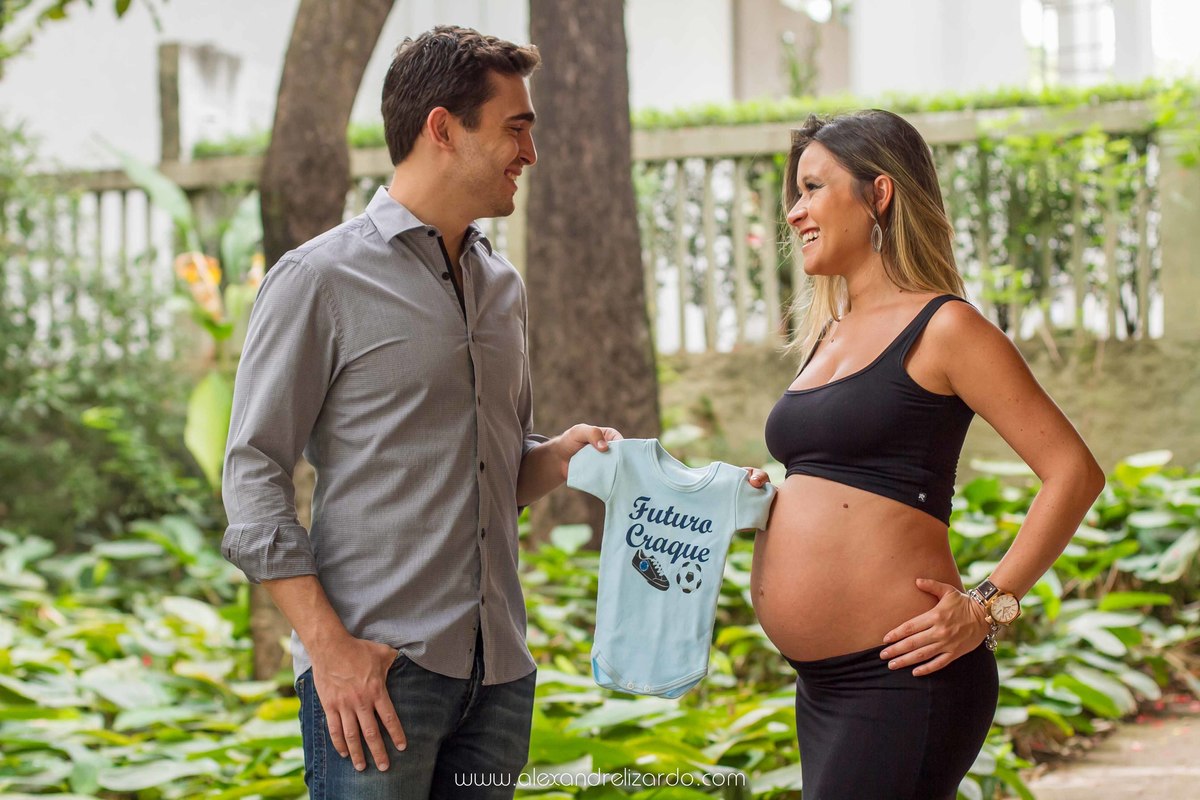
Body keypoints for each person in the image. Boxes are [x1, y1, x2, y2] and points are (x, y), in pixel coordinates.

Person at [220, 26, 623, 800]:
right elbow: (252, 474)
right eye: (516, 128)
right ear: (443, 128)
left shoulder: (502, 287)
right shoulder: (318, 280)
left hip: (500, 678)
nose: (530, 154)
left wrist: (561, 456)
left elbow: (484, 479)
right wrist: (327, 648)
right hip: (378, 683)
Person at [754, 110, 1105, 800]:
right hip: (824, 685)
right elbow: (838, 484)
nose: (794, 213)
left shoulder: (946, 328)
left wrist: (988, 603)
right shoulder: (830, 334)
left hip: (902, 678)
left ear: (878, 194)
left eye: (813, 188)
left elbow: (1074, 472)